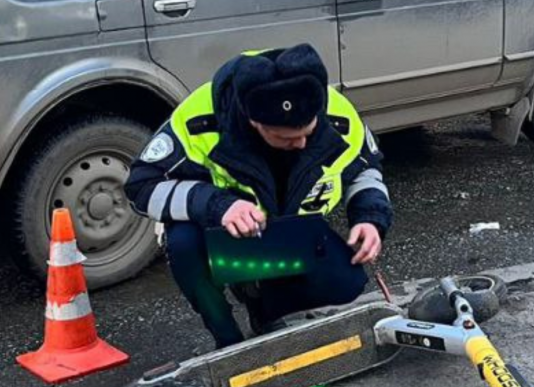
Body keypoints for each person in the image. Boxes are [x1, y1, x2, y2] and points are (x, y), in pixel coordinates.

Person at [126, 46, 392, 348]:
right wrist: (218, 206)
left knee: (346, 283)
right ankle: (226, 338)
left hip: (288, 229)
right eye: (286, 137)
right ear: (255, 122)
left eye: (308, 132)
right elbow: (141, 186)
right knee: (183, 243)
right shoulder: (199, 118)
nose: (300, 144)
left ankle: (262, 307)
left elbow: (365, 169)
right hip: (220, 230)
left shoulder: (335, 112)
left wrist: (369, 218)